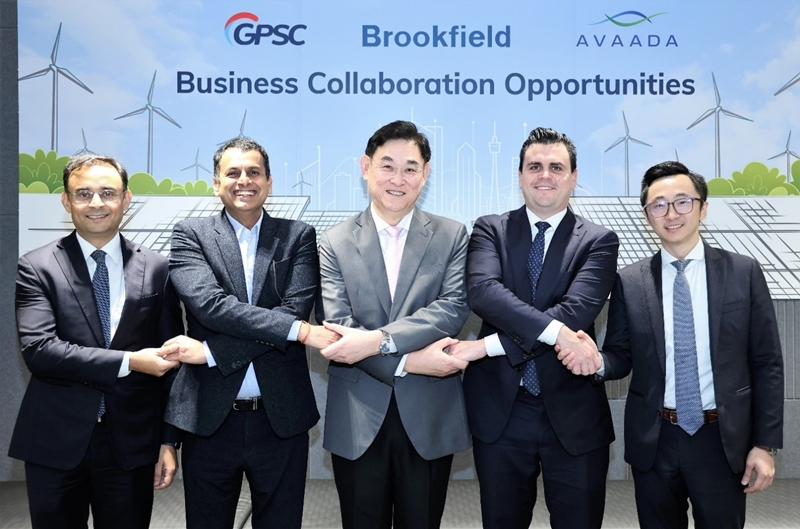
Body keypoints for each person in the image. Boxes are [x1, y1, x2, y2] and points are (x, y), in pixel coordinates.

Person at [560, 161, 784, 528]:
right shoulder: (630, 281)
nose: (671, 214)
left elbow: (767, 362)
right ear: (647, 215)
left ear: (703, 208)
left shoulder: (743, 272)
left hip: (722, 439)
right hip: (655, 438)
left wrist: (764, 444)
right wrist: (596, 360)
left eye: (682, 202)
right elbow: (621, 355)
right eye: (658, 205)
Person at [447, 127, 619, 529]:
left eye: (556, 167)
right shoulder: (490, 229)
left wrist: (488, 346)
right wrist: (557, 333)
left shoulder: (599, 241)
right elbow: (484, 294)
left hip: (574, 413)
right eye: (535, 166)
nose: (545, 175)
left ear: (574, 177)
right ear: (521, 175)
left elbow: (576, 312)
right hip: (501, 412)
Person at [163, 137, 338, 528]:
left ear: (269, 183)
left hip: (281, 417)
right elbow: (211, 307)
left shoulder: (298, 235)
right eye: (233, 173)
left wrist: (211, 353)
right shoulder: (190, 235)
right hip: (209, 418)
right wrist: (296, 331)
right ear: (216, 183)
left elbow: (294, 310)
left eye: (254, 172)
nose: (244, 180)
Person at [9, 154, 183, 528]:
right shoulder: (36, 266)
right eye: (83, 193)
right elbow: (40, 351)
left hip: (132, 444)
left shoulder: (158, 268)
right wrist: (130, 361)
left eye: (108, 192)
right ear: (66, 200)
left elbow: (171, 363)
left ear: (126, 198)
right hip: (56, 440)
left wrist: (168, 441)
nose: (96, 203)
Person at [317, 120, 471, 529]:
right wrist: (409, 362)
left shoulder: (453, 235)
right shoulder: (333, 242)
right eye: (387, 166)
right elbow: (338, 326)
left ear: (425, 174)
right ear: (365, 167)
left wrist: (379, 341)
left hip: (428, 413)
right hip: (358, 416)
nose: (397, 179)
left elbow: (452, 308)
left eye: (410, 168)